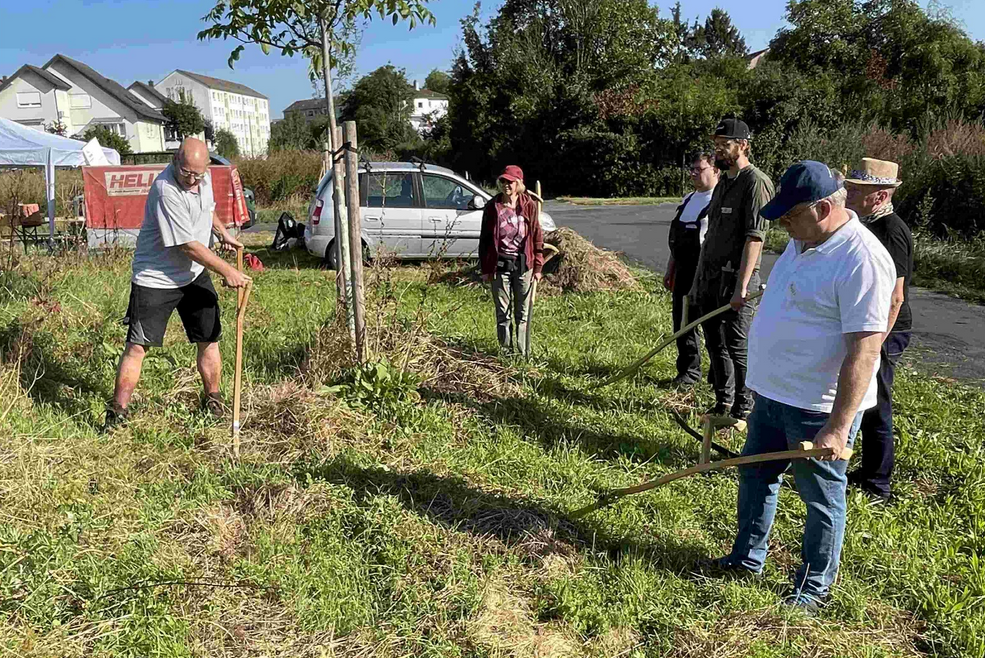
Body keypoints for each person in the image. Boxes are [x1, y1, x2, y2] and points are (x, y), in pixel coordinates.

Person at [710, 161, 895, 615]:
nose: (785, 226)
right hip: (773, 394)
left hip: (817, 406)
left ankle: (813, 588)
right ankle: (746, 560)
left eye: (792, 216)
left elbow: (865, 351)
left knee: (821, 499)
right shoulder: (803, 241)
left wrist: (838, 426)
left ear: (826, 206)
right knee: (756, 477)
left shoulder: (863, 259)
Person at [104, 138, 251, 430]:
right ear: (174, 161)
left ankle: (213, 400)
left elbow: (207, 209)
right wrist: (226, 271)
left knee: (209, 338)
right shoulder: (165, 189)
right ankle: (117, 412)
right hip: (156, 278)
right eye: (186, 173)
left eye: (198, 174)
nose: (192, 180)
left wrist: (222, 233)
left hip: (195, 273)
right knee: (138, 346)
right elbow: (187, 245)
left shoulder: (201, 179)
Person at [690, 118, 775, 419]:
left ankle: (745, 405)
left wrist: (742, 287)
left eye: (725, 145)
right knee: (714, 341)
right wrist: (699, 281)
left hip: (737, 280)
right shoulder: (724, 181)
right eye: (716, 145)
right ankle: (723, 401)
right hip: (712, 278)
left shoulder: (756, 183)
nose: (719, 151)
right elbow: (712, 234)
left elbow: (755, 238)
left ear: (743, 145)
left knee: (737, 344)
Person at [844, 158, 913, 504]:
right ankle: (865, 469)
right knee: (863, 401)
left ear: (881, 195)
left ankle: (879, 483)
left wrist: (874, 346)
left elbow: (896, 297)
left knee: (877, 402)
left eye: (858, 191)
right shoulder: (862, 224)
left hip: (886, 329)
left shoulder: (892, 231)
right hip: (866, 324)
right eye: (850, 187)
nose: (849, 194)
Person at [663, 152, 718, 387]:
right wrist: (670, 269)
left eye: (700, 169)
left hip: (707, 273)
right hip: (683, 271)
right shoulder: (688, 199)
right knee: (683, 323)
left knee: (711, 326)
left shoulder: (717, 200)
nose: (694, 173)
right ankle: (688, 372)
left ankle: (718, 377)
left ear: (716, 171)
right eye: (692, 169)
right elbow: (677, 242)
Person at [478, 165, 545, 356]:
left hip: (524, 266)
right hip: (499, 266)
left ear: (519, 184)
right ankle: (506, 353)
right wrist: (485, 269)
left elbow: (537, 236)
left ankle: (523, 352)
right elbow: (484, 240)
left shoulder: (529, 205)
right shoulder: (493, 207)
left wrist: (538, 266)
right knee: (503, 313)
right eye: (503, 181)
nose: (506, 185)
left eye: (510, 182)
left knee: (522, 314)